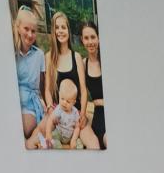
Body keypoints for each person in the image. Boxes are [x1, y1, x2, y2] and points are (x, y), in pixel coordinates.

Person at [45, 12, 99, 150]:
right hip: (57, 114)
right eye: (57, 27)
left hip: (75, 115)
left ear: (68, 30)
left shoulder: (76, 57)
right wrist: (50, 108)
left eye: (63, 27)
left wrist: (82, 114)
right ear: (53, 31)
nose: (60, 31)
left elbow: (83, 90)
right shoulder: (49, 57)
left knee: (94, 143)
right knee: (35, 139)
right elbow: (47, 90)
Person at [12, 7, 46, 141]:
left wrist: (45, 103)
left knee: (25, 129)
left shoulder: (39, 55)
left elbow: (42, 84)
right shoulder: (12, 53)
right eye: (26, 29)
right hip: (13, 99)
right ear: (18, 28)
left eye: (33, 31)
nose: (30, 34)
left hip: (30, 102)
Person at [26, 78, 82, 149]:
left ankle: (73, 145)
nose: (64, 103)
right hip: (59, 134)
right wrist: (48, 133)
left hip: (70, 135)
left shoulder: (75, 112)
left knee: (79, 143)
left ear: (73, 102)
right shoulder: (59, 109)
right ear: (59, 95)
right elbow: (50, 120)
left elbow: (77, 127)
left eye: (68, 101)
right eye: (62, 99)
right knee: (52, 140)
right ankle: (55, 146)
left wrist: (74, 139)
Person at [81, 21, 106, 149]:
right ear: (82, 40)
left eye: (93, 37)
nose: (90, 42)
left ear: (98, 38)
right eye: (86, 38)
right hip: (99, 115)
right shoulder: (83, 64)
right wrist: (82, 114)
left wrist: (101, 102)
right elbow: (82, 92)